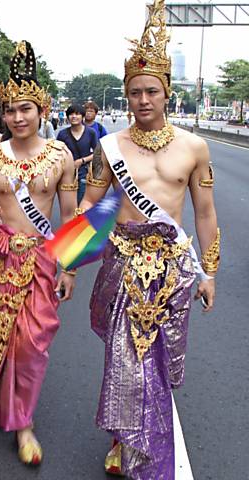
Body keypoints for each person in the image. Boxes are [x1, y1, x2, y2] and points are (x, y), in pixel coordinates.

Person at [79, 1, 219, 477]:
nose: (143, 100)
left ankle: (137, 433)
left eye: (152, 91)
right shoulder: (109, 147)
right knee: (123, 357)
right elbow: (89, 207)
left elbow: (204, 212)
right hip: (122, 263)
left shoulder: (194, 148)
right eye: (135, 92)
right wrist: (62, 261)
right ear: (126, 94)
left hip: (174, 269)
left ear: (167, 94)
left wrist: (209, 272)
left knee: (156, 360)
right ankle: (127, 442)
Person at [0, 41, 77, 466]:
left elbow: (69, 216)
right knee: (2, 336)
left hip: (41, 261)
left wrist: (70, 268)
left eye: (25, 109)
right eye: (10, 110)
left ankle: (23, 422)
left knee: (33, 343)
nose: (18, 117)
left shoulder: (61, 156)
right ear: (2, 114)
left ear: (41, 109)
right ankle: (15, 409)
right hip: (0, 258)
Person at [56, 104, 97, 203]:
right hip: (67, 175)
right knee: (69, 205)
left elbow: (97, 153)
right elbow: (57, 154)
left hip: (84, 174)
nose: (74, 116)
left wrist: (82, 160)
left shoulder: (90, 132)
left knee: (81, 203)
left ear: (83, 116)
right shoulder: (62, 134)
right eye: (71, 114)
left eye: (77, 114)